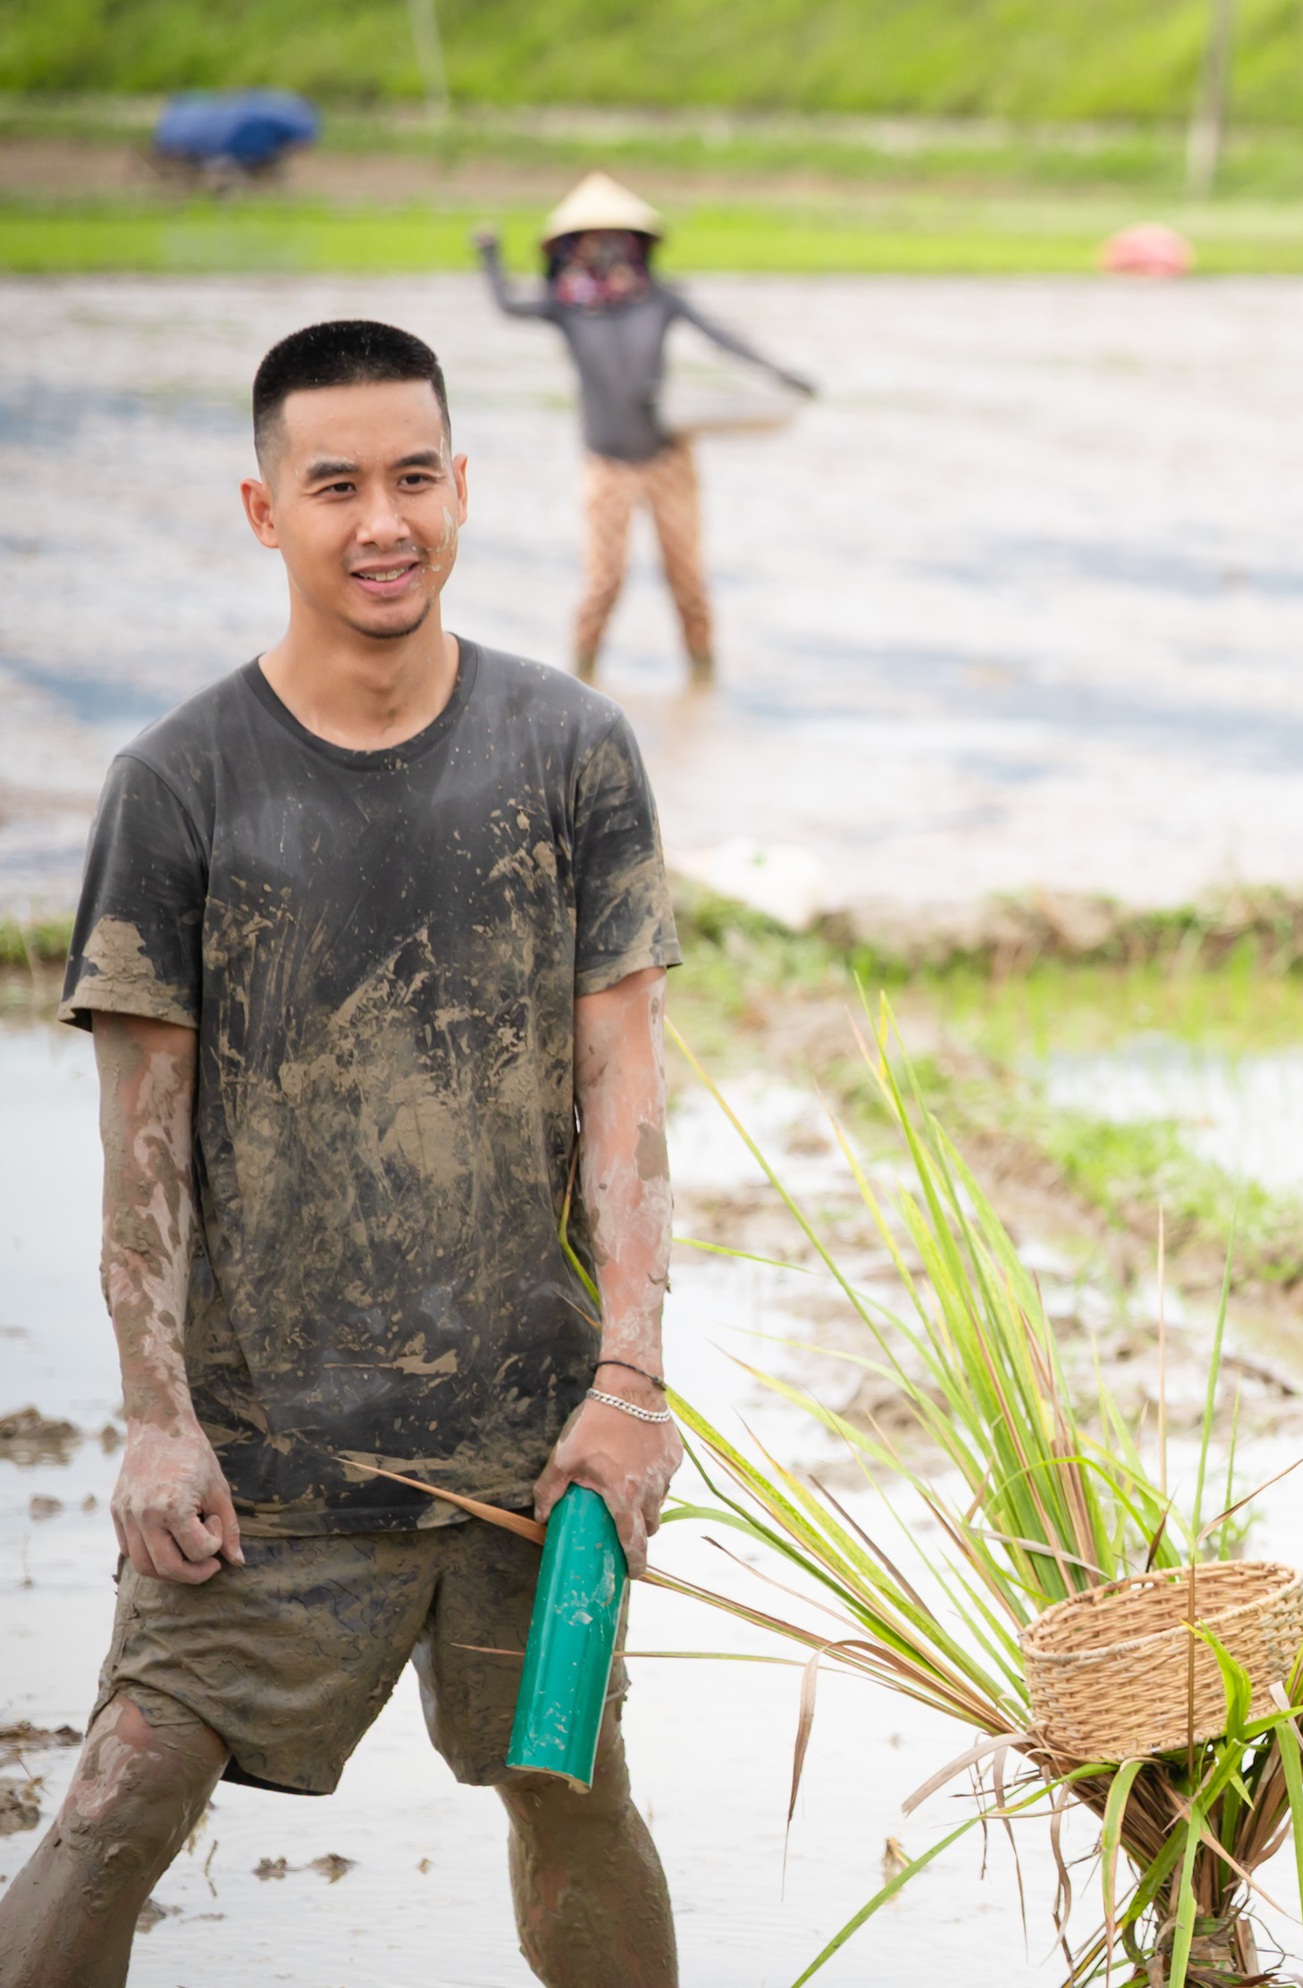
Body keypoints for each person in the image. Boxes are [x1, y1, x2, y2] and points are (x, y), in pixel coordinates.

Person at [0, 320, 685, 1988]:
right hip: (267, 1461)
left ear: (463, 488)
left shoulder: (572, 753)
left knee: (571, 1783)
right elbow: (142, 1159)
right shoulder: (177, 786)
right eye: (337, 486)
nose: (384, 520)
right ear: (263, 510)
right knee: (118, 1796)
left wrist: (634, 1381)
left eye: (416, 477)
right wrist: (157, 1423)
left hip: (529, 1450)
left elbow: (629, 1089)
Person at [476, 171, 816, 686]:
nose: (608, 249)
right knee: (603, 585)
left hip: (668, 459)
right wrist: (490, 255)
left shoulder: (659, 298)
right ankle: (581, 686)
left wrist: (780, 373)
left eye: (618, 238)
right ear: (572, 247)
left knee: (689, 584)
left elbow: (722, 337)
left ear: (637, 245)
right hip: (606, 462)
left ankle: (702, 682)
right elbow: (505, 304)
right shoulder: (564, 305)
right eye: (595, 239)